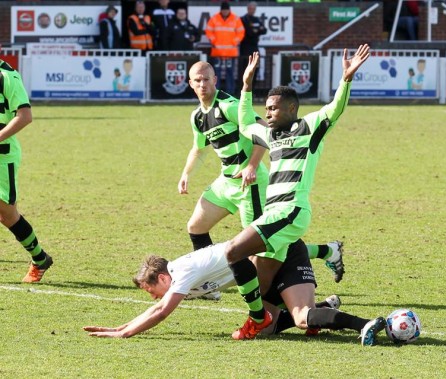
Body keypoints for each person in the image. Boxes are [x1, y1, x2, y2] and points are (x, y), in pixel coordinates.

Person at [222, 44, 370, 340]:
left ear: (292, 108)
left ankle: (257, 320)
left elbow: (335, 109)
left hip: (289, 212)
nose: (269, 114)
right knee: (261, 289)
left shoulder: (309, 127)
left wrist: (346, 79)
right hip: (276, 216)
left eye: (274, 108)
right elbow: (245, 123)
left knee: (233, 252)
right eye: (267, 110)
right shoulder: (270, 135)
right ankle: (281, 316)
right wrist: (246, 86)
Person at [179, 61, 345, 288]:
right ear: (190, 83)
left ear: (214, 80)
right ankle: (207, 282)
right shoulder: (197, 116)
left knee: (263, 246)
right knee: (196, 227)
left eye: (206, 79)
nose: (202, 84)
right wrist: (186, 174)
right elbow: (199, 148)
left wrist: (251, 166)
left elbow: (260, 130)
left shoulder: (227, 106)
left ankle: (327, 251)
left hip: (250, 184)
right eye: (197, 81)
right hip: (225, 182)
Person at [83, 240, 386, 346]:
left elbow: (161, 312)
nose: (152, 296)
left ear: (163, 277)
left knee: (302, 318)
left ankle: (364, 325)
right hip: (267, 270)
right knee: (268, 330)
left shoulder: (182, 274)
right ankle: (324, 306)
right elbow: (156, 308)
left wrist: (124, 335)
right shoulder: (175, 274)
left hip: (284, 256)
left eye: (151, 290)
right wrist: (120, 327)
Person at [0, 52, 53, 283]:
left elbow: (25, 116)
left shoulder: (8, 76)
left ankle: (40, 259)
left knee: (7, 214)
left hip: (3, 157)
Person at [205, 1, 245, 96]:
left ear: (229, 10)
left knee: (230, 72)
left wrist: (234, 42)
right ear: (221, 10)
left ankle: (230, 92)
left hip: (230, 52)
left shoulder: (235, 19)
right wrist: (214, 41)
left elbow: (241, 32)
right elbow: (208, 31)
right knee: (216, 73)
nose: (225, 12)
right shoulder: (214, 18)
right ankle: (216, 92)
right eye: (223, 10)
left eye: (226, 10)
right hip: (217, 51)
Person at [238, 2, 267, 91]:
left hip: (255, 47)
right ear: (247, 9)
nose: (252, 10)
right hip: (245, 48)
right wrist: (257, 30)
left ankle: (252, 90)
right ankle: (242, 91)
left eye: (253, 9)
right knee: (244, 70)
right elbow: (249, 33)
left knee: (255, 69)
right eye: (250, 8)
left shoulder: (257, 19)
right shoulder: (243, 19)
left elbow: (264, 30)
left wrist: (256, 30)